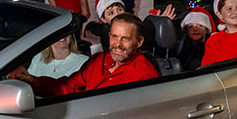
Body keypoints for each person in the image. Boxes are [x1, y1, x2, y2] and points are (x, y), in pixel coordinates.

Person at [11, 13, 159, 96]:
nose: (117, 44)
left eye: (125, 39)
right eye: (114, 36)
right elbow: (67, 87)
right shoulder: (98, 60)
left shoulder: (145, 75)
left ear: (139, 42)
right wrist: (31, 80)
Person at [177, 6, 215, 71]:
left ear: (207, 29)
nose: (195, 29)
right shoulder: (182, 48)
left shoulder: (213, 46)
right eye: (190, 26)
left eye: (200, 25)